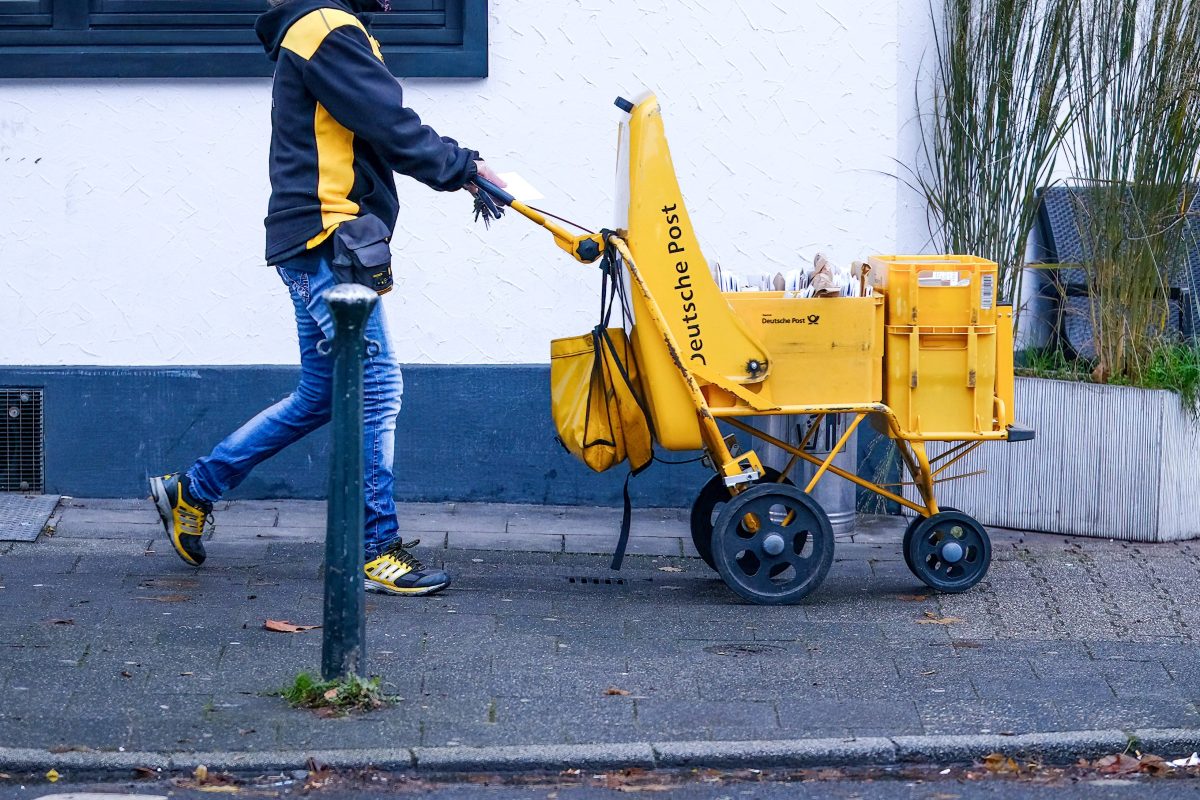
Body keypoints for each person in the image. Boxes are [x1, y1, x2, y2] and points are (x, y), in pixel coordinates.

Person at [149, 0, 505, 597]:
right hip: (325, 236)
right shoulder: (326, 27)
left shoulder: (328, 27)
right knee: (376, 387)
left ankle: (193, 490)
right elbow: (387, 123)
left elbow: (376, 128)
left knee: (321, 396)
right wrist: (461, 166)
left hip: (313, 237)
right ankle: (375, 549)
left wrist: (459, 167)